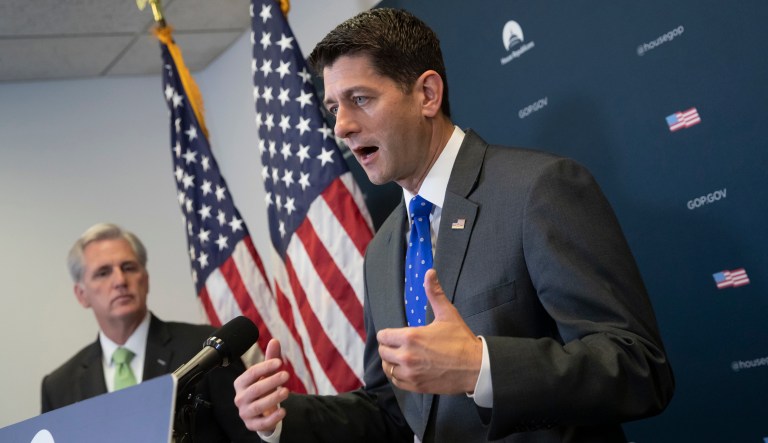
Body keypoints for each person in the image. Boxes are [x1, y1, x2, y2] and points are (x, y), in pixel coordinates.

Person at [233, 8, 674, 443]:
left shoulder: (537, 190)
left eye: (360, 99)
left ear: (427, 94)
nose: (342, 127)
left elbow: (638, 368)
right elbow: (395, 410)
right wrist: (285, 417)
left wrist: (480, 367)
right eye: (333, 107)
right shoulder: (382, 248)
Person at [41, 222, 259, 442]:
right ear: (81, 295)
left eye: (128, 268)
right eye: (103, 273)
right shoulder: (58, 386)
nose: (120, 281)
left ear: (145, 279)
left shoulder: (207, 349)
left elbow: (251, 436)